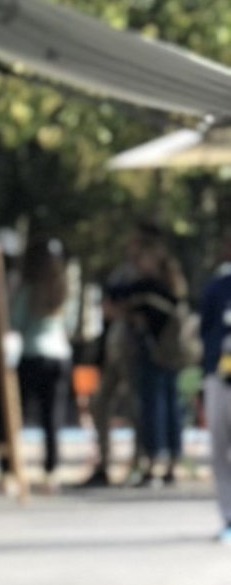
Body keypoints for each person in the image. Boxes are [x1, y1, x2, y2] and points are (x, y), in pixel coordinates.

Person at [102, 224, 190, 487]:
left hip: (155, 353)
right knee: (169, 405)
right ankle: (170, 461)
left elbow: (113, 295)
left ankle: (154, 461)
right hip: (170, 353)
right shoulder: (170, 285)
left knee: (154, 408)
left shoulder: (149, 287)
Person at [15, 228, 73, 480]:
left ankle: (10, 468)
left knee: (18, 414)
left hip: (31, 354)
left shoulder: (28, 289)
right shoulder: (63, 290)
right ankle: (52, 470)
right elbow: (69, 327)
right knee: (52, 417)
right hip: (59, 356)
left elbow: (14, 320)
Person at [199, 228, 231, 541]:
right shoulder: (218, 287)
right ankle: (228, 518)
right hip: (220, 378)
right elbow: (205, 331)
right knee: (219, 449)